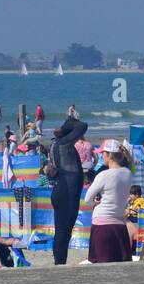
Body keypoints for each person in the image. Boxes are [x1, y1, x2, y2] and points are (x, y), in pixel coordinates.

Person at [84, 140, 134, 263]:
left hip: (102, 224)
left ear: (109, 155)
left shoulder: (103, 175)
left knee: (102, 265)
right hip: (120, 223)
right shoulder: (128, 173)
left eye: (103, 153)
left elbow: (87, 199)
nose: (102, 156)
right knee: (120, 264)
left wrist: (95, 203)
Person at [48, 113, 88, 266]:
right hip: (67, 192)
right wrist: (67, 125)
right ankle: (59, 263)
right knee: (64, 232)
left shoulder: (57, 144)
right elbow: (83, 126)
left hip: (61, 190)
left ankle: (60, 262)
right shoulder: (64, 143)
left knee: (62, 231)